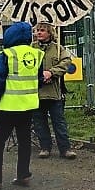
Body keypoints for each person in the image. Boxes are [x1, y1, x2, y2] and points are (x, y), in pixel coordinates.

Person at [0, 22, 49, 190]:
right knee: (24, 141)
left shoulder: (6, 55)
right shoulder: (37, 54)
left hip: (8, 107)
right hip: (28, 106)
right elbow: (38, 80)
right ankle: (23, 175)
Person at [32, 22, 77, 159]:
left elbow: (66, 63)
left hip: (54, 92)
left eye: (42, 30)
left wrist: (51, 73)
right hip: (37, 93)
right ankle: (45, 147)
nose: (39, 33)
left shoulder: (58, 49)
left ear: (50, 32)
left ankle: (65, 149)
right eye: (37, 30)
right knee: (40, 122)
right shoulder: (31, 48)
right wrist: (38, 75)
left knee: (59, 122)